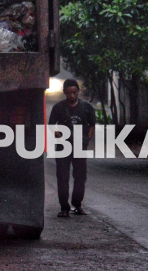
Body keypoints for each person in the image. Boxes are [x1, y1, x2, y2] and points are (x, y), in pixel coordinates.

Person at [48, 79, 96, 217]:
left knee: (80, 176)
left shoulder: (86, 107)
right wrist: (60, 138)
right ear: (64, 93)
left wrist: (86, 140)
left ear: (78, 92)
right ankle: (64, 207)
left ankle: (78, 204)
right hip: (63, 147)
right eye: (69, 93)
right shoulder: (58, 107)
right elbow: (52, 125)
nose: (72, 95)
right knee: (62, 177)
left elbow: (92, 125)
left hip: (80, 146)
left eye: (74, 92)